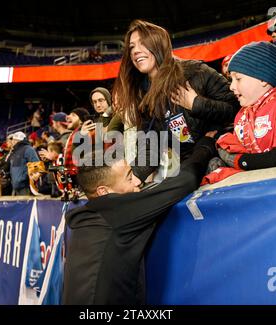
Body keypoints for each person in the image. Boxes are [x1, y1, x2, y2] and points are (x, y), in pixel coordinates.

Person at [63, 135, 216, 305]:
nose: (137, 183)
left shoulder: (88, 218)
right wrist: (206, 145)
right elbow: (185, 181)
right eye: (129, 178)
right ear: (103, 192)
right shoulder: (116, 211)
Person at [112, 19, 239, 183]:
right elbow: (151, 145)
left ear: (159, 45)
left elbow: (236, 108)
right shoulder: (142, 94)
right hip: (188, 166)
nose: (135, 51)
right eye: (131, 47)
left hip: (220, 156)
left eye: (142, 43)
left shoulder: (195, 71)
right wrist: (132, 178)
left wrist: (196, 104)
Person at [213, 41, 276, 173]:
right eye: (231, 80)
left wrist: (240, 161)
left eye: (238, 79)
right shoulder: (242, 115)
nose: (231, 86)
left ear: (263, 79)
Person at [9, 131, 40, 195]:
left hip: (25, 186)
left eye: (14, 140)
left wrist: (25, 177)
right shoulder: (14, 152)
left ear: (17, 141)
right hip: (15, 187)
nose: (12, 142)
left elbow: (36, 165)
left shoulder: (29, 149)